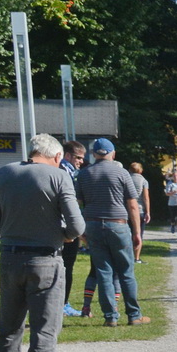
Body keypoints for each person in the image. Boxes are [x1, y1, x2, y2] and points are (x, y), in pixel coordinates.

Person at [0, 132, 84, 352]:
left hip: (10, 260)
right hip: (46, 262)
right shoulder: (59, 177)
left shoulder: (3, 173)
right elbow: (77, 227)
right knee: (44, 334)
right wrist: (62, 235)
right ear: (57, 157)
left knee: (8, 332)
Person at [72, 137, 145, 326]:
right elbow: (132, 204)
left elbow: (76, 203)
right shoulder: (122, 173)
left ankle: (110, 317)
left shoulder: (84, 174)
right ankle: (134, 315)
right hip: (118, 224)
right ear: (113, 153)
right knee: (126, 271)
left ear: (94, 154)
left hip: (93, 225)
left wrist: (80, 229)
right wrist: (137, 232)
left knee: (103, 271)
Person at [58, 140, 86, 312]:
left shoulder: (69, 171)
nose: (81, 161)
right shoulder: (64, 172)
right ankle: (62, 304)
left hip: (64, 224)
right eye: (78, 157)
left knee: (66, 265)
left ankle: (62, 302)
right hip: (65, 226)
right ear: (67, 155)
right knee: (66, 266)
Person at [128, 162, 152, 248]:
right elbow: (146, 197)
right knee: (139, 233)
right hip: (140, 210)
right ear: (140, 170)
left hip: (127, 210)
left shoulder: (127, 178)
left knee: (128, 234)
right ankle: (137, 257)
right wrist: (148, 212)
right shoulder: (143, 181)